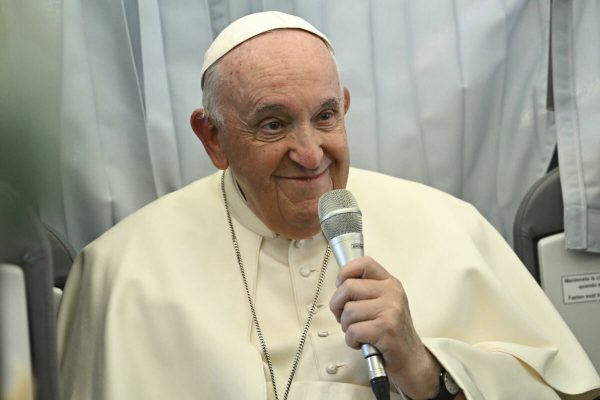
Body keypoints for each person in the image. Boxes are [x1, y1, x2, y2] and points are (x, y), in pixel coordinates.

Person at [57, 11, 600, 400]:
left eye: (324, 116)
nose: (310, 153)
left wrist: (424, 366)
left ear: (344, 107)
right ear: (214, 139)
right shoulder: (120, 271)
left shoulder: (451, 225)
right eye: (273, 123)